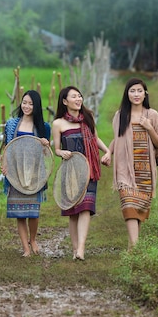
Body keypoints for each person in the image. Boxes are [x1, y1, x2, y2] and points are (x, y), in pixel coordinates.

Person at [101, 78, 158, 250]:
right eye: (132, 91)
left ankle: (131, 248)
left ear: (145, 94)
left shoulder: (152, 115)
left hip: (145, 170)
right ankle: (136, 250)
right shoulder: (120, 115)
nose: (136, 94)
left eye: (139, 91)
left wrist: (149, 127)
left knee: (139, 210)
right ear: (127, 94)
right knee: (129, 206)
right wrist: (108, 152)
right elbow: (118, 138)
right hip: (124, 169)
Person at [52, 86, 110, 261]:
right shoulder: (58, 124)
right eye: (74, 96)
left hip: (89, 169)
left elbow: (95, 138)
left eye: (79, 96)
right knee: (73, 211)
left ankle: (81, 248)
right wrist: (61, 153)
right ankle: (75, 248)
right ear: (64, 101)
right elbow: (55, 148)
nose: (78, 99)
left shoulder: (88, 118)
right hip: (70, 170)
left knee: (85, 208)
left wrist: (107, 151)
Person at [1, 90, 51, 257]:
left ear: (36, 106)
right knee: (19, 212)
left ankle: (33, 239)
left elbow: (46, 153)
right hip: (16, 174)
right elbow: (7, 148)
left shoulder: (43, 127)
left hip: (35, 174)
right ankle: (26, 248)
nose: (27, 106)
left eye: (30, 103)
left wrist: (45, 144)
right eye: (24, 102)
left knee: (33, 212)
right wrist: (5, 166)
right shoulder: (11, 124)